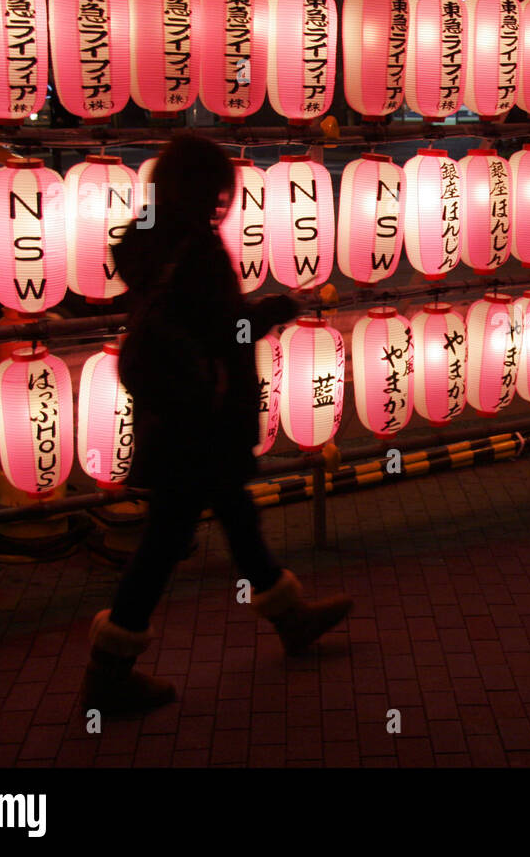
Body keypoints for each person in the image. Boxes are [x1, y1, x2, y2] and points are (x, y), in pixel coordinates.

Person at [82, 135, 352, 716]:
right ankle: (108, 672)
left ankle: (291, 618)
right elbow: (228, 332)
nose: (225, 199)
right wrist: (275, 310)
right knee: (166, 540)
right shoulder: (196, 248)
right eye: (220, 188)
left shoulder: (148, 238)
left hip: (177, 413)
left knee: (233, 516)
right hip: (202, 417)